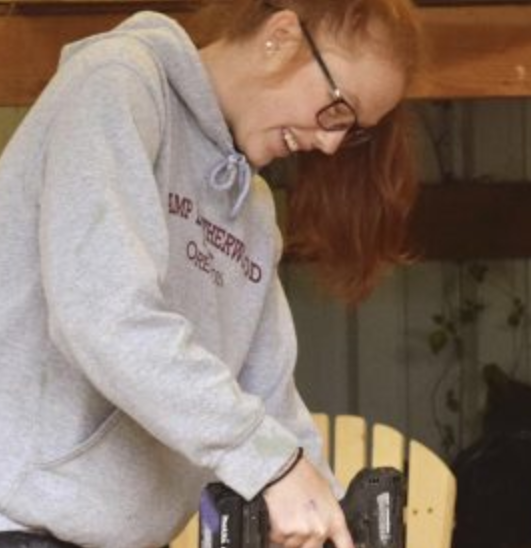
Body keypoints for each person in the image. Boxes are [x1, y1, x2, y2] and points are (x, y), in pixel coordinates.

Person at [0, 0, 421, 545]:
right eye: (338, 108)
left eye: (353, 130)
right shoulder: (118, 84)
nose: (333, 142)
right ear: (281, 36)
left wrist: (324, 512)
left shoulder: (251, 210)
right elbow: (103, 313)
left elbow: (266, 395)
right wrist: (269, 464)